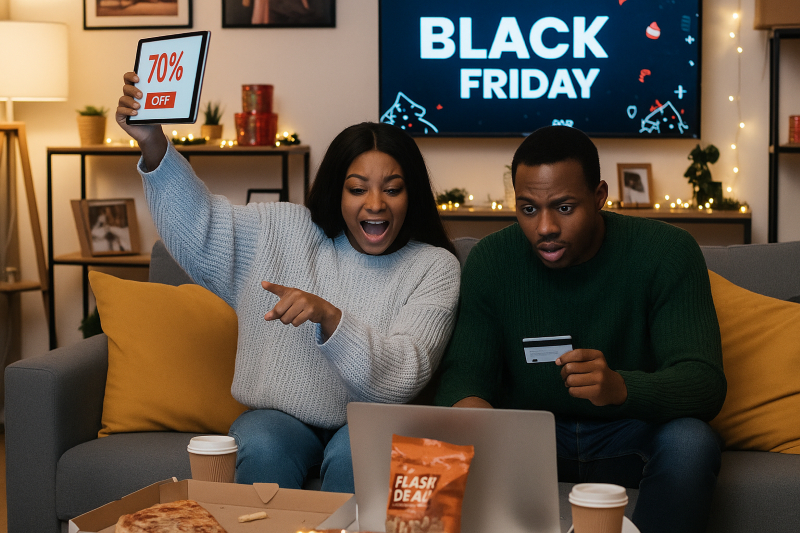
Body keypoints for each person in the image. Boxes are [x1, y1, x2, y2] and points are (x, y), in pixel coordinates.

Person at [116, 72, 461, 493]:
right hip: (279, 418)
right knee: (262, 443)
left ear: (412, 196)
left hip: (373, 417)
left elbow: (406, 374)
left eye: (392, 189)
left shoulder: (434, 266)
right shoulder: (282, 229)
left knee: (358, 452)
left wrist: (332, 318)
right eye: (358, 189)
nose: (375, 204)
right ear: (337, 191)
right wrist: (152, 142)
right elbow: (199, 227)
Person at [434, 126, 726, 533]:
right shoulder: (491, 261)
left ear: (600, 196)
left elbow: (704, 382)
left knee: (692, 442)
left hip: (628, 436)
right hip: (529, 439)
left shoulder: (666, 252)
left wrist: (621, 388)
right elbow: (463, 379)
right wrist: (482, 426)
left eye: (564, 207)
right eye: (529, 209)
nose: (545, 227)